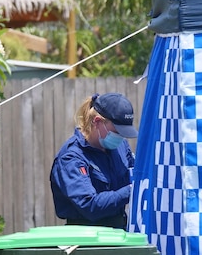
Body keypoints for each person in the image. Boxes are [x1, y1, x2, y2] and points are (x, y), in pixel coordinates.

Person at [50, 92, 138, 229]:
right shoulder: (71, 158)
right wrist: (132, 190)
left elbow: (135, 175)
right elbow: (90, 206)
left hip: (120, 233)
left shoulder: (120, 147)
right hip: (86, 241)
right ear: (97, 122)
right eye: (117, 132)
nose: (121, 138)